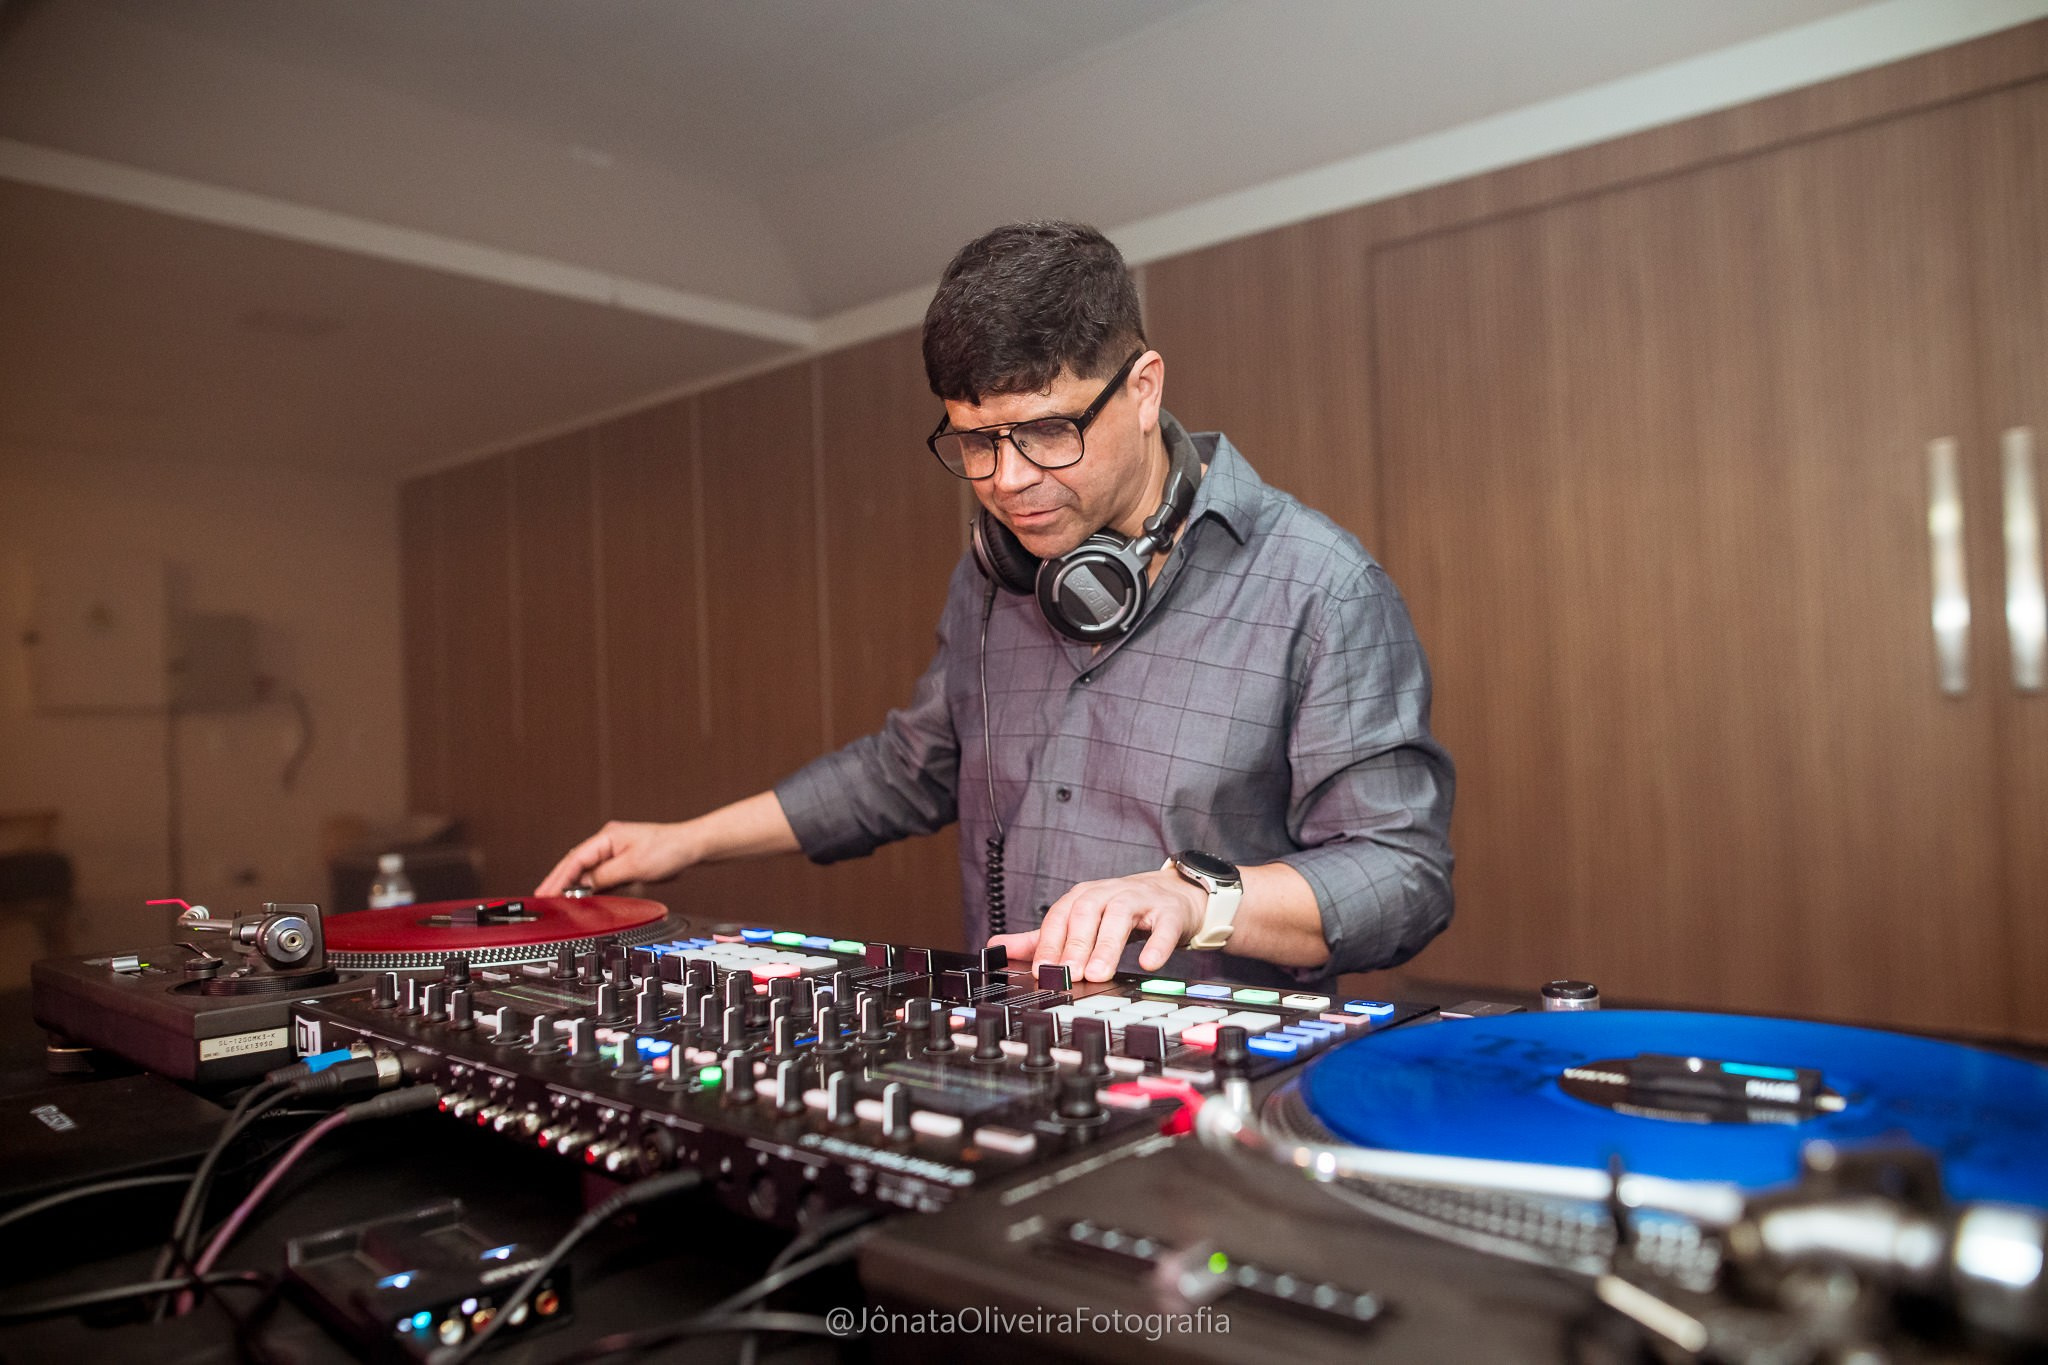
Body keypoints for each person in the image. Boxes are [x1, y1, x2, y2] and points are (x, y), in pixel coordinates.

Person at [539, 220, 1453, 993]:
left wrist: (1195, 898)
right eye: (975, 442)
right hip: (1010, 1063)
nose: (1008, 482)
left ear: (1143, 389)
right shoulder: (997, 571)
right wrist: (684, 841)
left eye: (1048, 431)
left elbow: (1402, 874)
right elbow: (913, 767)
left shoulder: (1319, 586)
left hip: (1217, 1106)